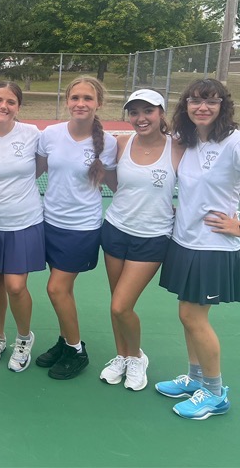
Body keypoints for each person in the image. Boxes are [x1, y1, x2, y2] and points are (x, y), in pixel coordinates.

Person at [155, 78, 239, 419]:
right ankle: (195, 378)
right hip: (184, 240)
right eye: (195, 101)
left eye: (211, 101)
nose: (202, 107)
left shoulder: (234, 141)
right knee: (186, 315)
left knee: (193, 316)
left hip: (214, 245)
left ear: (222, 106)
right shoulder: (186, 142)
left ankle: (215, 393)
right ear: (185, 106)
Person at [99, 89, 183, 391]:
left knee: (122, 306)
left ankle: (136, 357)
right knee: (114, 304)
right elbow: (111, 180)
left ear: (161, 113)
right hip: (115, 229)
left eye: (147, 111)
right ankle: (121, 355)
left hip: (152, 237)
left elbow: (198, 184)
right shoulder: (122, 143)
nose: (140, 118)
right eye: (134, 112)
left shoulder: (179, 148)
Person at [35, 76, 117, 380]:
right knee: (63, 290)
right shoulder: (51, 135)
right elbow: (34, 171)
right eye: (75, 98)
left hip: (82, 227)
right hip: (48, 222)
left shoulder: (108, 144)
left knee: (56, 288)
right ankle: (65, 340)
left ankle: (76, 350)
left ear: (98, 104)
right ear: (67, 101)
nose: (80, 104)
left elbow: (115, 184)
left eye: (87, 98)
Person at [0, 81, 44, 372]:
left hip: (24, 222)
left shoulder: (33, 135)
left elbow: (43, 165)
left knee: (16, 286)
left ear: (18, 107)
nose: (3, 106)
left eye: (10, 101)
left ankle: (24, 337)